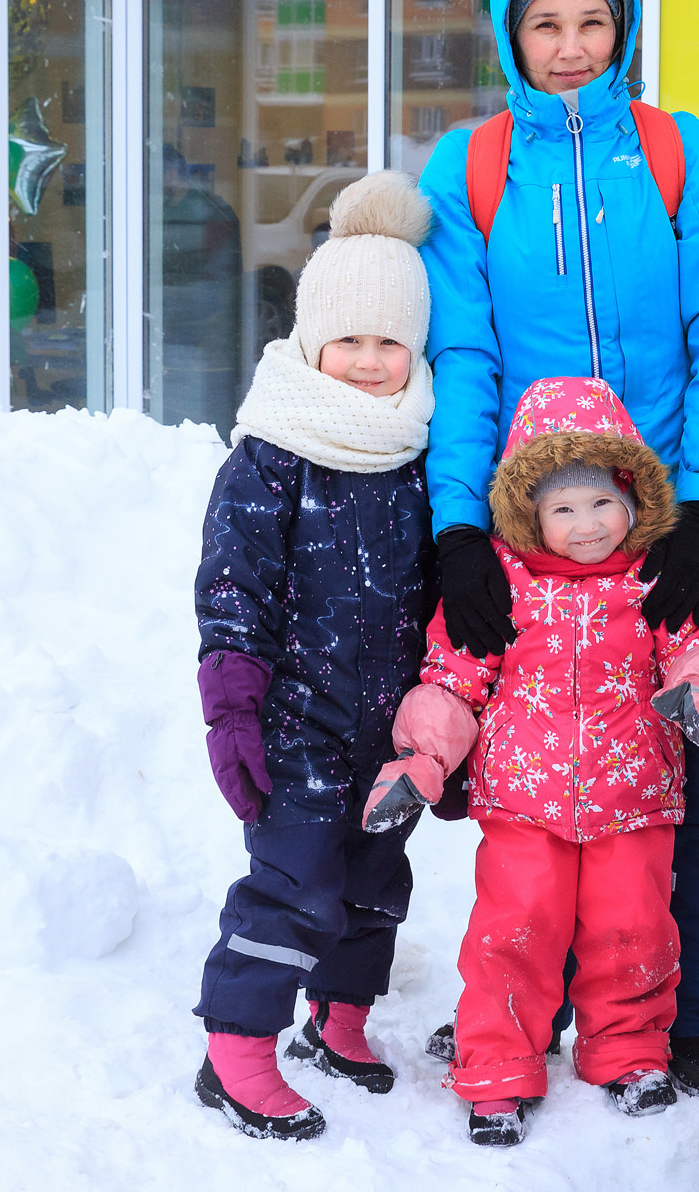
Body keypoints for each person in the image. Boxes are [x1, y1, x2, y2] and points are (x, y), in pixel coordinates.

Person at [417, 0, 699, 1106]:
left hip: (667, 522)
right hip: (528, 535)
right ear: (510, 34)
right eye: (545, 24)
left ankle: (689, 1019)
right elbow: (463, 356)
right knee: (530, 784)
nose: (570, 46)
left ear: (622, 28)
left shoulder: (678, 154)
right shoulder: (470, 168)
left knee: (694, 773)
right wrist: (460, 527)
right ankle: (524, 1009)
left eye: (591, 21)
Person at [360, 376, 699, 1146]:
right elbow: (453, 677)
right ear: (529, 512)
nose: (588, 524)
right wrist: (421, 758)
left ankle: (628, 1051)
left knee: (634, 931)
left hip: (634, 793)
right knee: (514, 932)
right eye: (563, 509)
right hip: (523, 802)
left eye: (603, 501)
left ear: (633, 495)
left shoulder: (657, 571)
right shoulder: (500, 581)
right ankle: (499, 1065)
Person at [191, 172, 439, 1142]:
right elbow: (233, 587)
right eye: (350, 340)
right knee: (294, 881)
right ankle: (236, 1048)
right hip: (296, 719)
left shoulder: (421, 452)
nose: (370, 363)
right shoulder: (273, 451)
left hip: (390, 720)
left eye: (390, 343)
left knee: (376, 876)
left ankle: (339, 1020)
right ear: (311, 341)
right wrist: (233, 702)